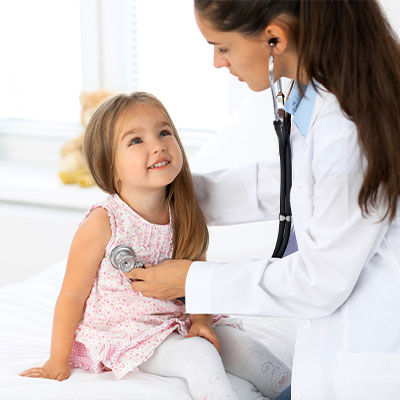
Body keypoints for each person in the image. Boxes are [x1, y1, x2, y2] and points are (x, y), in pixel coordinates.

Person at [124, 2, 400, 400]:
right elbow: (286, 181)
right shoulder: (319, 97)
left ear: (275, 38)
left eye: (223, 47)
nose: (218, 62)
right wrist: (166, 195)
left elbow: (318, 282)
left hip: (371, 370)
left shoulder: (348, 135)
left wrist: (190, 280)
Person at [19, 92, 291, 400]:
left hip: (180, 319)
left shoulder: (186, 211)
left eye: (164, 132)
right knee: (199, 357)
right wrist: (58, 360)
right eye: (136, 141)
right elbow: (71, 294)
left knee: (254, 354)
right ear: (110, 164)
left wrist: (202, 321)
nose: (158, 145)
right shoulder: (104, 222)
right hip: (130, 330)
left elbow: (197, 276)